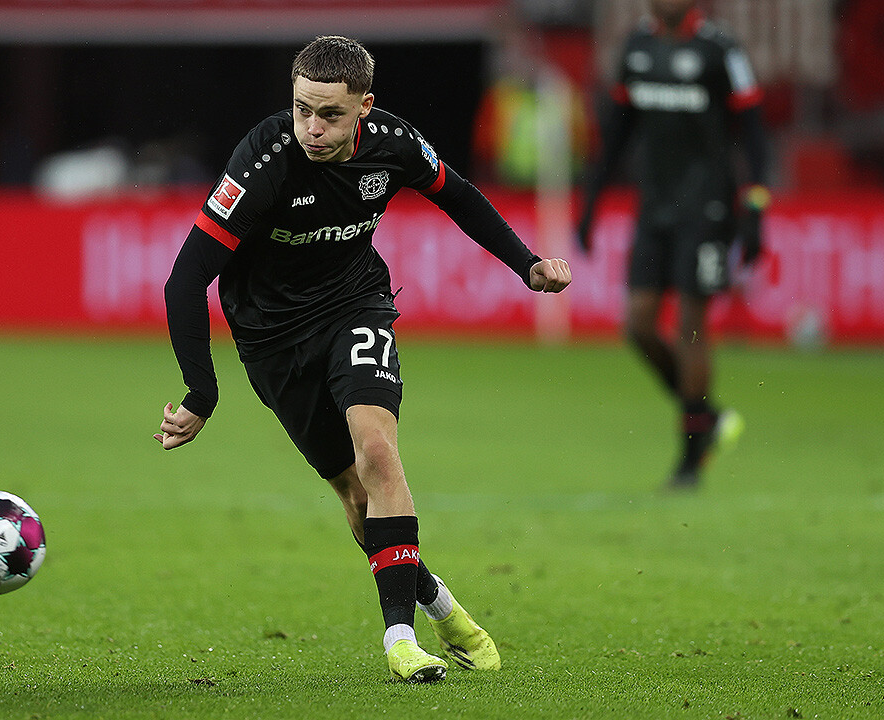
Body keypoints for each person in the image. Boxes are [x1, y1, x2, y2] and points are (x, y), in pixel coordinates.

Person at [155, 35, 571, 682]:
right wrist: (201, 394)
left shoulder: (393, 143)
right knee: (355, 496)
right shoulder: (263, 160)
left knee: (378, 452)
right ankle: (440, 604)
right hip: (271, 340)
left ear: (365, 108)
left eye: (330, 115)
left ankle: (400, 640)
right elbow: (185, 281)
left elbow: (459, 196)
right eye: (302, 110)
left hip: (356, 306)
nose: (312, 129)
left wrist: (528, 264)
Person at [575, 0, 767, 489]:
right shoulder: (637, 47)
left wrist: (755, 208)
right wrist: (592, 201)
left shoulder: (719, 50)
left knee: (690, 328)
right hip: (655, 208)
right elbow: (618, 132)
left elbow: (754, 131)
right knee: (639, 325)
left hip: (708, 209)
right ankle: (705, 418)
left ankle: (690, 457)